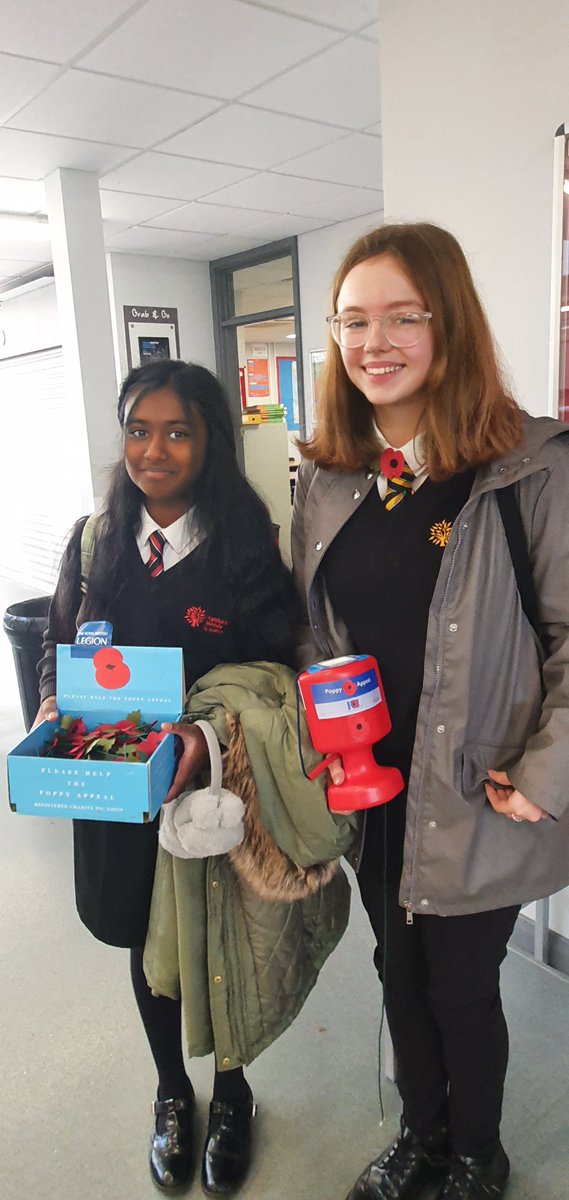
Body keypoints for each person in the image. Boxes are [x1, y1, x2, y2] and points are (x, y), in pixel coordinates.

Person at [291, 222, 569, 1200]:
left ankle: (472, 1157)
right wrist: (319, 742)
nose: (374, 341)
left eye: (400, 316)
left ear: (444, 324)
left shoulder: (527, 467)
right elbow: (313, 639)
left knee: (458, 986)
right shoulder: (329, 481)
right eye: (353, 320)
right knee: (396, 974)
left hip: (479, 794)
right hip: (376, 791)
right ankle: (419, 1137)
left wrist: (543, 777)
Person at [36, 358, 304, 1196]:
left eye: (177, 431)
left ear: (209, 443)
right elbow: (57, 645)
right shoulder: (95, 540)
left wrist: (206, 734)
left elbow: (277, 677)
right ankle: (170, 1093)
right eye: (139, 431)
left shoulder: (245, 546)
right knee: (142, 947)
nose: (154, 450)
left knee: (213, 943)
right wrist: (51, 702)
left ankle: (230, 1095)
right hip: (115, 792)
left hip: (210, 795)